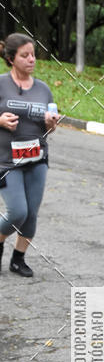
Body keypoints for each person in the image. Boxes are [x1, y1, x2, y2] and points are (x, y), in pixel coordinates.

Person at [0, 33, 59, 277]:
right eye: (25, 55)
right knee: (18, 212)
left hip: (37, 159)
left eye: (33, 54)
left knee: (31, 213)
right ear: (12, 58)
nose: (31, 59)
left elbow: (51, 125)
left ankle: (18, 259)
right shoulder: (1, 84)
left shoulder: (43, 90)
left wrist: (50, 122)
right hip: (7, 161)